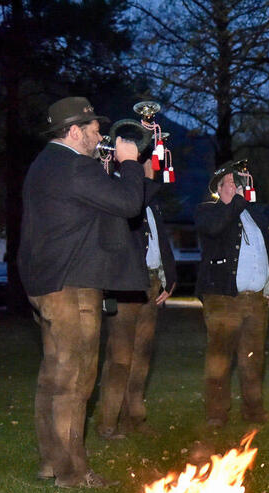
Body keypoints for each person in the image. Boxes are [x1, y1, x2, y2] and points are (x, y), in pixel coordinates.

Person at [19, 96, 145, 488]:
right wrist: (129, 163)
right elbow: (128, 203)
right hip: (72, 287)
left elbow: (91, 209)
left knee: (54, 377)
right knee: (76, 380)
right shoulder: (74, 165)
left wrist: (106, 171)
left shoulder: (47, 164)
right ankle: (73, 473)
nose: (101, 135)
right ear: (74, 131)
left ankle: (51, 463)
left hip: (49, 283)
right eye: (93, 129)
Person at [96, 133, 177, 439]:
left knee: (142, 355)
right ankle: (107, 423)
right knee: (119, 357)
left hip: (151, 284)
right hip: (126, 284)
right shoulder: (117, 192)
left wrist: (169, 278)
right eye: (148, 162)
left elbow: (161, 244)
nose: (153, 168)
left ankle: (134, 419)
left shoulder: (151, 204)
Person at [194, 160, 269, 427]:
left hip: (255, 300)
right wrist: (236, 203)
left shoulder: (257, 216)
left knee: (253, 361)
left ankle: (253, 412)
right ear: (218, 189)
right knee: (219, 360)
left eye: (238, 182)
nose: (236, 186)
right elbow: (215, 228)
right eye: (229, 183)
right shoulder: (208, 211)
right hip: (222, 299)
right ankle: (216, 414)